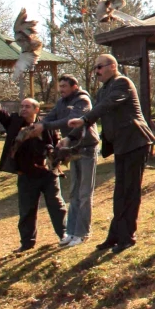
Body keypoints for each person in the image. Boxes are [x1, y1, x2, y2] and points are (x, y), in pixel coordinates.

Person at [68, 54, 155, 252]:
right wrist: (71, 137)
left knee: (130, 191)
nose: (96, 71)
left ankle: (128, 237)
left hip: (136, 142)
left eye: (99, 66)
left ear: (113, 66)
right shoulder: (103, 90)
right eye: (95, 68)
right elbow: (99, 112)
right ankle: (115, 236)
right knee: (119, 193)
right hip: (121, 145)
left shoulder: (122, 83)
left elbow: (106, 106)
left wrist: (84, 119)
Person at [0, 77, 67, 253]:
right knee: (26, 211)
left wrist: (54, 152)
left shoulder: (46, 125)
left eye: (27, 106)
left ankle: (65, 235)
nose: (23, 109)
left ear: (36, 110)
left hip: (48, 174)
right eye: (21, 106)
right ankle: (27, 243)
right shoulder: (14, 122)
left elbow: (56, 143)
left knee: (56, 206)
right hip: (26, 175)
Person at [41, 74, 98, 247]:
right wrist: (39, 125)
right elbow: (51, 117)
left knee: (84, 193)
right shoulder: (61, 102)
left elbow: (70, 121)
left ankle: (82, 233)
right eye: (60, 86)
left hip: (87, 149)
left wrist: (46, 126)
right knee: (73, 192)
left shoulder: (82, 101)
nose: (61, 90)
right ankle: (71, 232)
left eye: (64, 86)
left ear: (74, 86)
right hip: (72, 151)